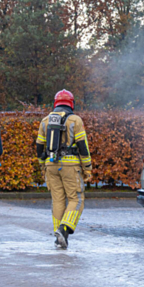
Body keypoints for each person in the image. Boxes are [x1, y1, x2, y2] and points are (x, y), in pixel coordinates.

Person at [35, 89, 92, 249]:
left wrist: (42, 165)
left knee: (57, 200)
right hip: (70, 166)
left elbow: (39, 147)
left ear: (55, 103)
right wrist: (87, 167)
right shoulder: (75, 120)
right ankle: (64, 228)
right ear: (71, 103)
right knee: (76, 199)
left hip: (50, 165)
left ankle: (58, 238)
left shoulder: (45, 121)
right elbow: (82, 146)